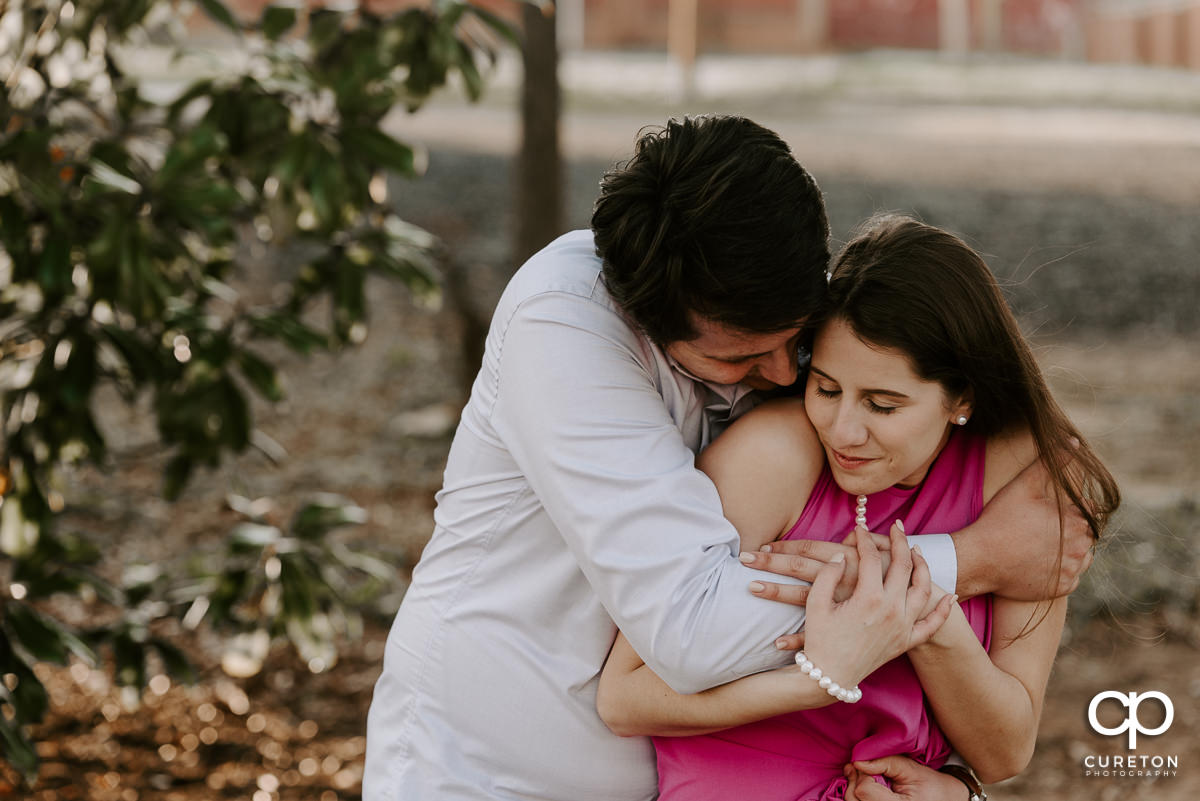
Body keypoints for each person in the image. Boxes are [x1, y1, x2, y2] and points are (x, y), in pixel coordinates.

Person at [363, 116, 1095, 801]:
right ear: (648, 316)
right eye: (743, 356)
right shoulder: (563, 326)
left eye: (797, 339)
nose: (786, 377)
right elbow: (690, 630)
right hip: (484, 764)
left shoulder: (761, 302)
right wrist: (972, 559)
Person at [596, 215, 1120, 801]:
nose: (843, 430)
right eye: (825, 388)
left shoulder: (1023, 490)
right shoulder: (777, 457)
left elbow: (1004, 752)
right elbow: (627, 697)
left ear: (961, 398)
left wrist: (933, 634)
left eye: (883, 405)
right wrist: (828, 672)